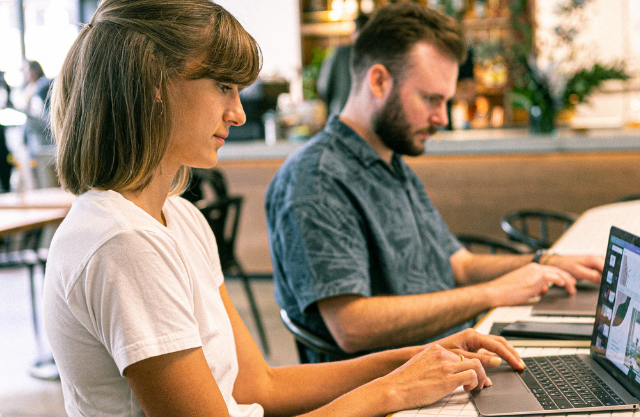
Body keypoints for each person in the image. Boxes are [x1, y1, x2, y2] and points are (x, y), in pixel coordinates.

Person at [43, 1, 525, 415]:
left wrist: (421, 356)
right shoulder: (122, 243)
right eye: (222, 87)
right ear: (152, 79)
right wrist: (394, 388)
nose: (239, 113)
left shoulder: (180, 218)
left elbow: (259, 387)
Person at [265, 3, 604, 363]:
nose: (442, 117)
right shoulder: (316, 180)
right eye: (430, 99)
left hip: (448, 359)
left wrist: (544, 262)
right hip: (390, 389)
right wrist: (491, 294)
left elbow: (458, 264)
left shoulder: (391, 161)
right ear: (378, 81)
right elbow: (351, 326)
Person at [316, 13, 369, 117]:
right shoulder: (376, 55)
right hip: (366, 120)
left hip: (340, 116)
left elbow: (323, 87)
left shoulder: (340, 53)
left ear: (354, 33)